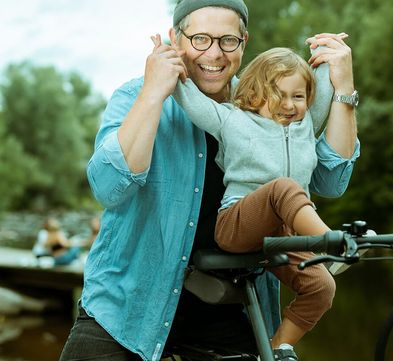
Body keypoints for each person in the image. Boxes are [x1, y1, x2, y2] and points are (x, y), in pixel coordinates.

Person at [60, 1, 359, 360]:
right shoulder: (133, 96)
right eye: (200, 39)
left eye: (227, 41)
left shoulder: (267, 105)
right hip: (127, 307)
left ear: (243, 43)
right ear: (175, 39)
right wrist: (154, 93)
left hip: (232, 308)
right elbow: (109, 187)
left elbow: (331, 181)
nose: (214, 53)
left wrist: (343, 90)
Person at [165, 43, 356, 358]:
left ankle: (278, 347)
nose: (290, 104)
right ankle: (330, 244)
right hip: (238, 224)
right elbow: (193, 102)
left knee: (322, 287)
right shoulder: (233, 121)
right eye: (278, 94)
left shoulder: (305, 124)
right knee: (282, 187)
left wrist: (327, 57)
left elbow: (323, 91)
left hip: (284, 236)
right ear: (253, 93)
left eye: (298, 96)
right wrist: (173, 65)